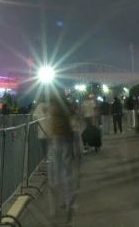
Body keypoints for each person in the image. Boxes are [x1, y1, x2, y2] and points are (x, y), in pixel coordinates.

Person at [45, 92, 82, 224]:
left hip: (56, 139)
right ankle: (68, 201)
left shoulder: (52, 106)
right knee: (66, 172)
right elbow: (75, 116)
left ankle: (56, 206)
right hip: (67, 138)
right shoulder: (67, 105)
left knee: (56, 172)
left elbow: (49, 123)